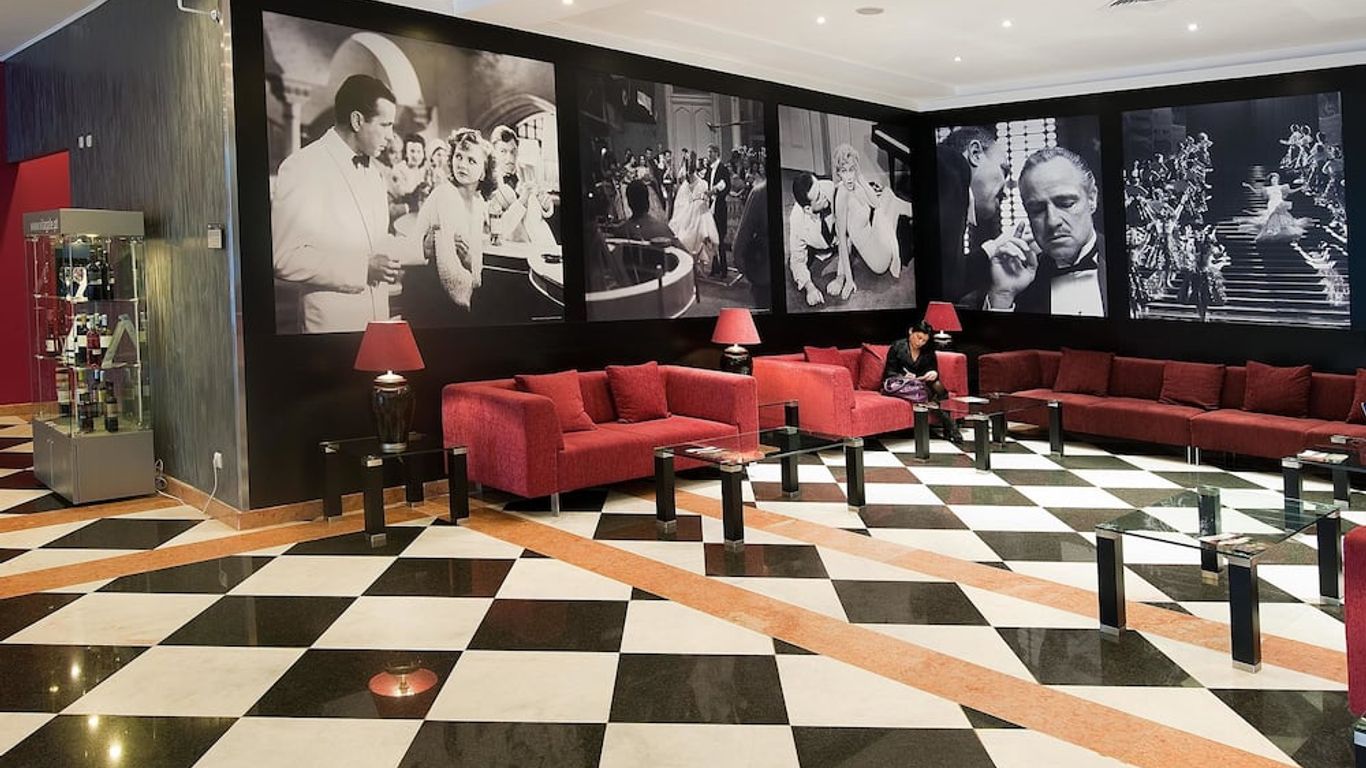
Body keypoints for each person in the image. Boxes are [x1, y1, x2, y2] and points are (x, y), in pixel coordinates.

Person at [271, 74, 421, 333]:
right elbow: (284, 258)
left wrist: (422, 248)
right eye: (385, 125)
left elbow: (376, 242)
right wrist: (362, 269)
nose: (391, 136)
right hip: (332, 328)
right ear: (357, 120)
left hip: (377, 326)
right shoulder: (303, 167)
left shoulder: (374, 172)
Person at [967, 147, 1107, 316]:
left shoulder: (1130, 260)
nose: (1052, 221)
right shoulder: (1016, 281)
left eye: (1066, 204)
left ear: (1092, 198)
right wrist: (1003, 295)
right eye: (1037, 210)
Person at [410, 128, 492, 316]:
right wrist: (469, 302)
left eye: (471, 160)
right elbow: (448, 272)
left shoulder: (478, 203)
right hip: (426, 286)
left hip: (452, 291)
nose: (462, 164)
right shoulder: (445, 194)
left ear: (483, 173)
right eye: (458, 156)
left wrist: (469, 262)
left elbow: (475, 259)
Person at [828, 142, 913, 300]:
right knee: (889, 206)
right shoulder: (842, 195)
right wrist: (847, 280)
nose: (849, 176)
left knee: (887, 194)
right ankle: (915, 212)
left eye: (852, 169)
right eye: (844, 171)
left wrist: (860, 177)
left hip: (876, 237)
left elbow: (875, 202)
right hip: (878, 259)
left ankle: (912, 212)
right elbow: (843, 240)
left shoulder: (855, 185)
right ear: (838, 173)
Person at [937, 127, 1010, 307]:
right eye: (1004, 170)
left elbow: (946, 283)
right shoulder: (950, 164)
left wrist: (996, 247)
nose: (1006, 193)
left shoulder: (952, 195)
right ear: (975, 153)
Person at [487, 125, 556, 246]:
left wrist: (546, 206)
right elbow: (500, 228)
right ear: (494, 153)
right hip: (515, 246)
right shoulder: (489, 183)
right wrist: (522, 200)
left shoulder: (529, 170)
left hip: (543, 241)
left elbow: (544, 204)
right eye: (503, 151)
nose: (509, 158)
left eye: (513, 151)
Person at [787, 173, 837, 307]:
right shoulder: (797, 219)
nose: (824, 195)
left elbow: (848, 236)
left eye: (820, 187)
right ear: (808, 209)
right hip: (819, 249)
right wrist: (810, 288)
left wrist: (841, 277)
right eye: (818, 197)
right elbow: (797, 260)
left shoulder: (831, 189)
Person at [668, 157, 721, 274]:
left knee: (703, 236)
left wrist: (701, 201)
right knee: (685, 237)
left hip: (701, 214)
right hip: (687, 216)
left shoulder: (703, 184)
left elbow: (706, 200)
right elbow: (679, 203)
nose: (687, 177)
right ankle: (691, 266)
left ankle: (704, 266)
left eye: (689, 174)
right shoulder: (684, 186)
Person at [705, 144, 732, 278]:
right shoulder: (709, 169)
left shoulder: (723, 168)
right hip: (710, 207)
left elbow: (727, 187)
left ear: (716, 153)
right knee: (712, 238)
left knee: (720, 238)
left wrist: (716, 193)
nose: (709, 155)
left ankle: (724, 269)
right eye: (708, 152)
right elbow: (706, 184)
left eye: (711, 152)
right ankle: (715, 267)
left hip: (720, 207)